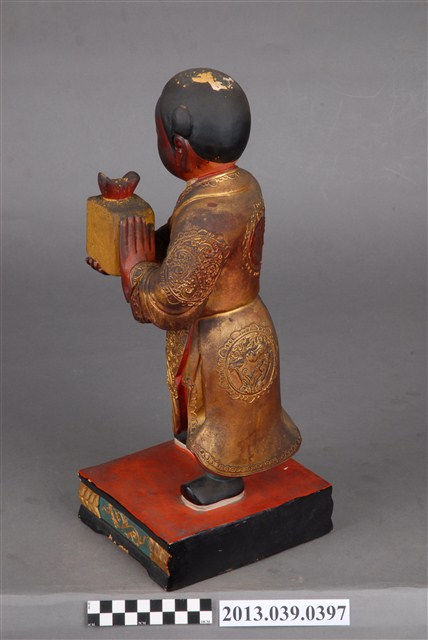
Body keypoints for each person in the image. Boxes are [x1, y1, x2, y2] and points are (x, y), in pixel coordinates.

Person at [119, 68, 301, 510]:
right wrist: (128, 250)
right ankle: (197, 440)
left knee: (230, 418)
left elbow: (173, 297)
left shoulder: (209, 211)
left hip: (226, 337)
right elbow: (183, 247)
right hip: (229, 322)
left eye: (160, 139)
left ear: (179, 148)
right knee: (199, 396)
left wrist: (135, 271)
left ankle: (224, 478)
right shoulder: (238, 185)